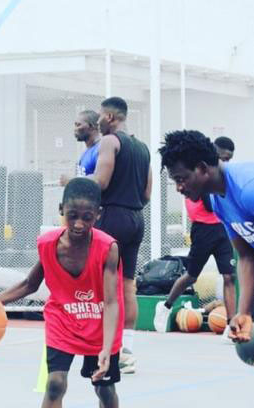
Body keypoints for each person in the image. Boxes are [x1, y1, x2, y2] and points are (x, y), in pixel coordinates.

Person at [0, 177, 123, 408]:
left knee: (104, 390)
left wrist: (107, 348)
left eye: (87, 217)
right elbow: (30, 284)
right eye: (72, 216)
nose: (79, 224)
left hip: (100, 322)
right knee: (55, 384)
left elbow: (111, 301)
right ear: (61, 211)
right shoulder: (47, 244)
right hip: (63, 319)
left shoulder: (108, 248)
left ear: (98, 215)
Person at [159, 129, 254, 408]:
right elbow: (247, 255)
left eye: (181, 178)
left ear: (203, 168)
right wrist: (244, 312)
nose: (179, 187)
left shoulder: (250, 189)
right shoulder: (218, 200)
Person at [93, 97, 152, 374]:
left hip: (112, 216)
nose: (97, 122)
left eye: (100, 116)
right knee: (128, 284)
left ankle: (105, 346)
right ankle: (127, 350)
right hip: (136, 218)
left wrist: (74, 183)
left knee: (102, 282)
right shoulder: (142, 148)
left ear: (110, 117)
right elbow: (147, 193)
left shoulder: (109, 141)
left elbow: (101, 182)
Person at [153, 139, 236, 335]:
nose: (224, 163)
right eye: (222, 158)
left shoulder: (225, 178)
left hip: (222, 228)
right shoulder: (197, 180)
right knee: (191, 275)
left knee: (229, 276)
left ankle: (231, 325)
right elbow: (207, 204)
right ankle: (166, 305)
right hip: (203, 230)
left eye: (228, 159)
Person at [59, 110, 101, 185]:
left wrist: (71, 180)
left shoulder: (100, 149)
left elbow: (100, 179)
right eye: (75, 125)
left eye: (78, 125)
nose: (75, 129)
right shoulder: (86, 152)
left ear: (92, 127)